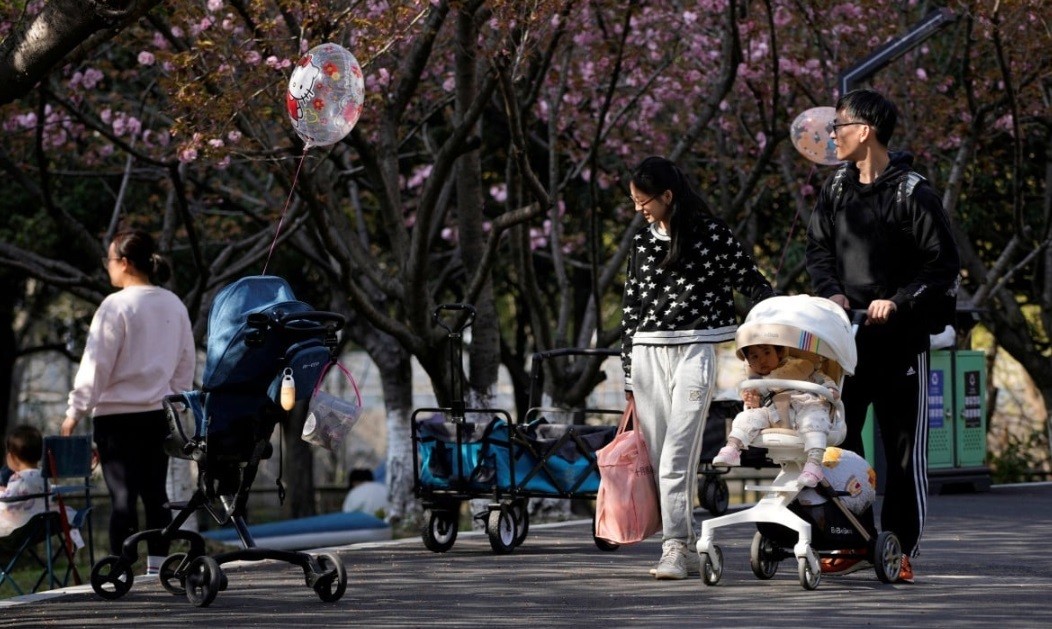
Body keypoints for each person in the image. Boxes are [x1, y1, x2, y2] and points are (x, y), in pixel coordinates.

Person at [805, 89, 960, 584]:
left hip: (901, 344)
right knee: (841, 446)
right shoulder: (834, 189)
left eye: (839, 126)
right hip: (846, 343)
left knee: (901, 453)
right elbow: (818, 250)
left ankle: (899, 545)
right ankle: (853, 538)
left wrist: (899, 299)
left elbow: (942, 267)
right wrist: (830, 293)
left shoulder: (913, 193)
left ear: (865, 129)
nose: (833, 136)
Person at [621, 156, 775, 580]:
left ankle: (672, 548)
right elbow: (630, 310)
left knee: (676, 456)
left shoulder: (711, 234)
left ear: (667, 195)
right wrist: (629, 375)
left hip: (695, 352)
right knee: (658, 459)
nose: (639, 209)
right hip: (648, 353)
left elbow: (749, 278)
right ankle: (684, 546)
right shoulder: (641, 243)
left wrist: (780, 308)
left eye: (643, 200)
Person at [60, 228, 196, 577]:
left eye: (109, 260)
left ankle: (121, 567)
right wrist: (178, 402)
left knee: (123, 496)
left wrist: (75, 410)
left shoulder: (114, 306)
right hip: (158, 415)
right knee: (156, 494)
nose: (108, 267)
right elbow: (186, 360)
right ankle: (158, 567)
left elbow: (96, 364)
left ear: (123, 262)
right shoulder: (174, 304)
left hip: (116, 418)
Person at [711, 344, 839, 487]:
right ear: (748, 362)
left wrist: (830, 389)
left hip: (805, 406)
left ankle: (814, 463)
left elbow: (822, 379)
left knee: (815, 417)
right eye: (755, 357)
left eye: (767, 353)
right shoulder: (757, 382)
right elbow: (756, 404)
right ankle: (732, 448)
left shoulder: (800, 367)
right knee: (747, 416)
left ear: (779, 352)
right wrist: (754, 401)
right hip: (774, 416)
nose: (762, 360)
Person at [0, 425, 46, 537]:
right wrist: (6, 490)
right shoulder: (43, 475)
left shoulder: (18, 478)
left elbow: (8, 503)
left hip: (16, 526)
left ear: (12, 458)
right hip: (38, 525)